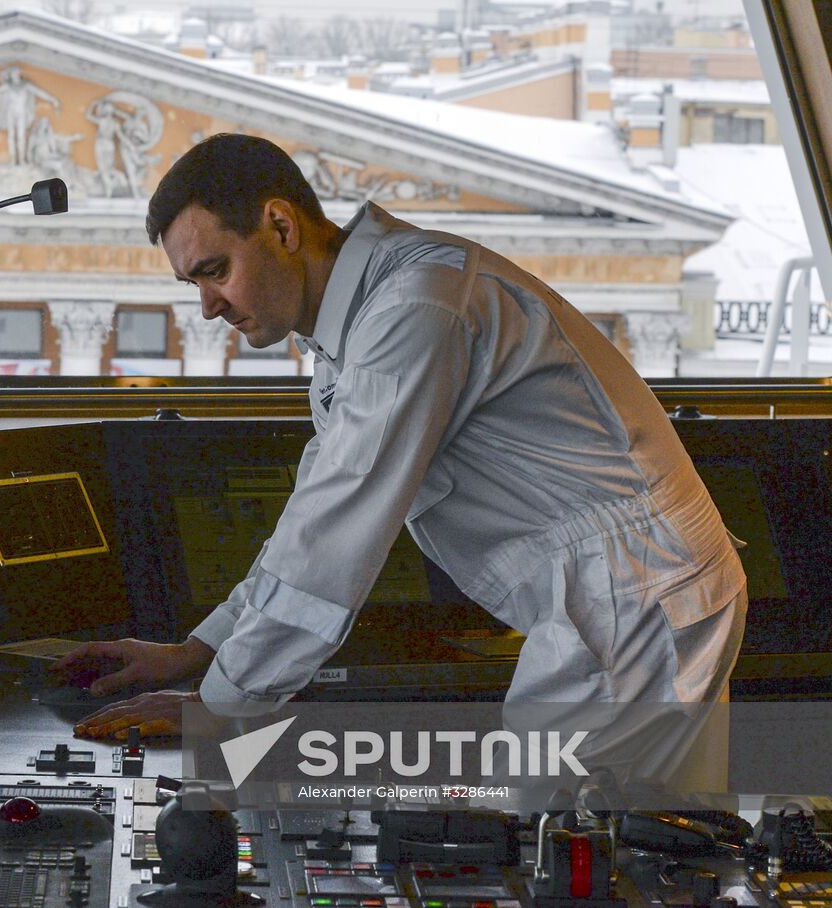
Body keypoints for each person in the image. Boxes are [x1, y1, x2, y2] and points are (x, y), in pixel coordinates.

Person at [51, 134, 747, 785]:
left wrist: (221, 707)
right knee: (576, 835)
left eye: (215, 271)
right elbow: (312, 522)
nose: (207, 308)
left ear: (281, 227)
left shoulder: (413, 310)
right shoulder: (359, 320)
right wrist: (197, 652)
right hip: (613, 593)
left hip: (629, 597)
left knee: (565, 842)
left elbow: (336, 541)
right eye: (192, 284)